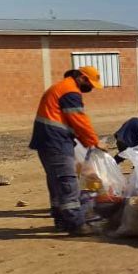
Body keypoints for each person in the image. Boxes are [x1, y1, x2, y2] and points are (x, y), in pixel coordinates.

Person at [28, 66, 104, 235]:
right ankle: (76, 224)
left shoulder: (61, 87)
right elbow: (79, 119)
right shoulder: (70, 91)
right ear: (82, 78)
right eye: (90, 84)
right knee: (68, 181)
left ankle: (61, 220)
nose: (90, 89)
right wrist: (93, 141)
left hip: (47, 141)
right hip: (56, 142)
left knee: (56, 182)